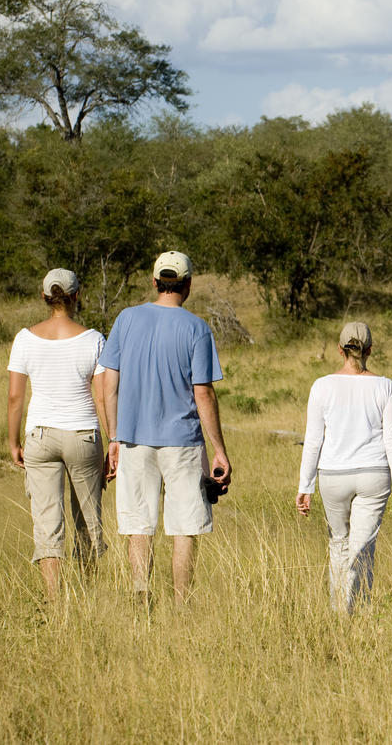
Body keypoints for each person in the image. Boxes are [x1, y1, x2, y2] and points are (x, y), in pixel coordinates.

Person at [99, 251, 232, 608]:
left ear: (154, 281)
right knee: (184, 526)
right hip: (182, 443)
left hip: (133, 439)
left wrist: (114, 436)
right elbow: (202, 392)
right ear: (187, 285)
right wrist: (218, 450)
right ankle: (181, 604)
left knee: (139, 524)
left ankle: (141, 595)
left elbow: (108, 385)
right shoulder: (196, 328)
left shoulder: (126, 319)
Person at [6, 269, 108, 601]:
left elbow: (15, 398)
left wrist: (13, 442)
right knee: (88, 519)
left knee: (47, 522)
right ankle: (88, 596)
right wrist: (115, 440)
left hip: (40, 434)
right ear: (77, 296)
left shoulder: (24, 338)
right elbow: (103, 396)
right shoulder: (93, 339)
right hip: (82, 433)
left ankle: (53, 602)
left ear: (45, 297)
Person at [296, 322, 392, 614]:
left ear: (340, 349)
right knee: (363, 548)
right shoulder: (386, 386)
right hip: (374, 474)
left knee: (339, 543)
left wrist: (305, 486)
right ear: (370, 350)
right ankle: (357, 609)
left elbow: (313, 440)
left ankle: (340, 611)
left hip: (333, 476)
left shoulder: (322, 385)